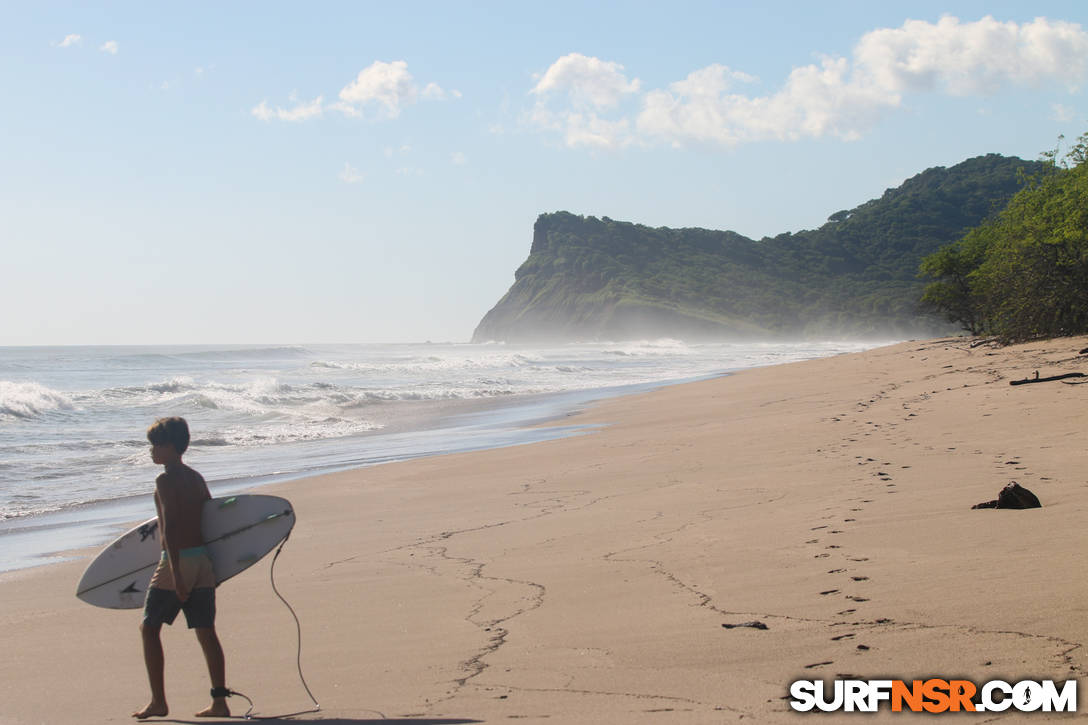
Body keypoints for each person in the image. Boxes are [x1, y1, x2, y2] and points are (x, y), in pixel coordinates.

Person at [133, 416, 230, 719]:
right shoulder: (195, 477)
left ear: (171, 447)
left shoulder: (165, 480)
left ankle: (158, 701)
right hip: (202, 560)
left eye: (155, 446)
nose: (151, 451)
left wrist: (175, 574)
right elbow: (212, 519)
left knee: (149, 629)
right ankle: (219, 701)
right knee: (206, 632)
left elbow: (171, 528)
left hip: (178, 561)